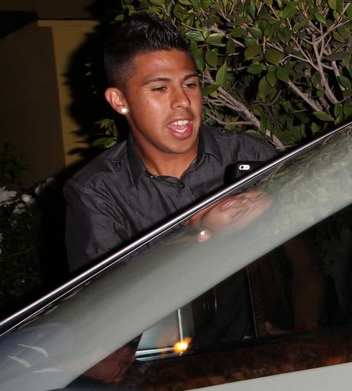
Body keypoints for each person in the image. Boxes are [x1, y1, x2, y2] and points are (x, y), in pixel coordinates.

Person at [63, 14, 276, 272]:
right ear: (120, 101)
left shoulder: (253, 156)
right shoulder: (97, 192)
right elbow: (108, 301)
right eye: (160, 89)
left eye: (190, 84)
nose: (183, 100)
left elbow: (301, 263)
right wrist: (195, 229)